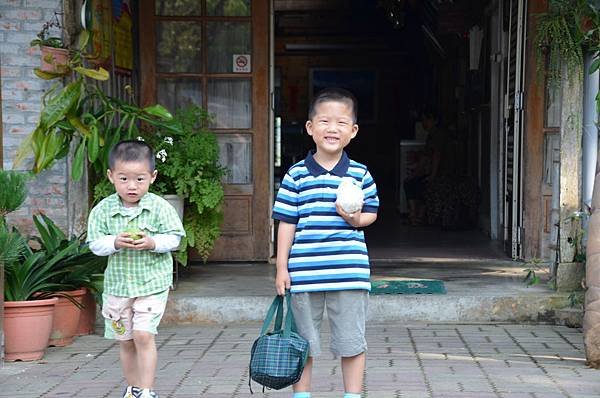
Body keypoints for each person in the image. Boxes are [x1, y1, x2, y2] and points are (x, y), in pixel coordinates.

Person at [272, 87, 379, 398]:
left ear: (353, 131)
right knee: (302, 342)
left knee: (352, 341)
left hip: (350, 273)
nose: (332, 129)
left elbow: (371, 213)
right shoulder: (296, 175)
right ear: (310, 128)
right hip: (305, 274)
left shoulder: (360, 174)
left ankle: (353, 395)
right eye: (324, 121)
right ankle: (302, 395)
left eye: (341, 123)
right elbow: (286, 223)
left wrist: (354, 219)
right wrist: (281, 268)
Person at [87, 140, 185, 398]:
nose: (132, 186)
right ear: (111, 177)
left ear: (152, 177)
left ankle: (147, 390)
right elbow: (95, 244)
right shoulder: (103, 211)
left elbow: (175, 238)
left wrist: (152, 242)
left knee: (143, 335)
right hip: (118, 287)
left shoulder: (160, 207)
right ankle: (133, 389)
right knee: (126, 340)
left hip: (151, 284)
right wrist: (115, 242)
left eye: (139, 179)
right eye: (124, 179)